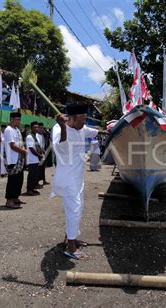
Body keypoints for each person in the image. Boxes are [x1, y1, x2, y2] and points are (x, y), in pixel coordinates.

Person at [51, 104, 99, 260]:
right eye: (83, 119)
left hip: (78, 178)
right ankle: (71, 247)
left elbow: (95, 131)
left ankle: (70, 237)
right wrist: (62, 127)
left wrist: (113, 128)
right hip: (67, 179)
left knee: (77, 210)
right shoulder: (58, 129)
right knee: (74, 210)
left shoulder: (82, 129)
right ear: (71, 119)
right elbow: (61, 147)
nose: (85, 122)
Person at [4, 112, 27, 208]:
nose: (19, 121)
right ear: (11, 119)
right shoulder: (8, 130)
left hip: (19, 158)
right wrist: (24, 151)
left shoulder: (17, 130)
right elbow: (12, 145)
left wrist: (23, 150)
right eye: (17, 119)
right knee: (12, 180)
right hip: (12, 158)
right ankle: (9, 200)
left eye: (19, 119)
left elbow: (20, 142)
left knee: (19, 179)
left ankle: (15, 197)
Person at [24, 121, 43, 196]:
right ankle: (29, 189)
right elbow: (31, 148)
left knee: (35, 175)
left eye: (37, 127)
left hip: (36, 159)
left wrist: (42, 151)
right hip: (32, 159)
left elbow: (37, 146)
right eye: (35, 127)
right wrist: (39, 155)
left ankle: (32, 188)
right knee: (31, 175)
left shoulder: (35, 136)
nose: (36, 128)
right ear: (31, 128)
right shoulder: (29, 136)